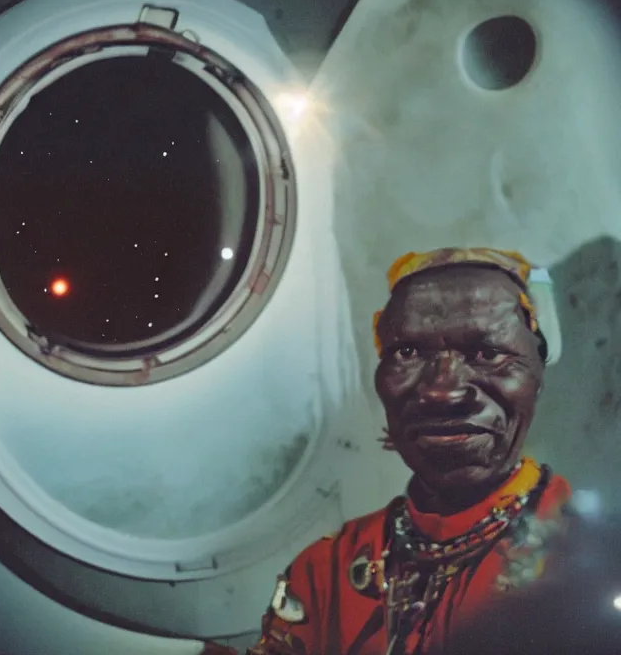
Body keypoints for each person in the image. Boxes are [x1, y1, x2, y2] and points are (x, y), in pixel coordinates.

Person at [236, 248, 572, 655]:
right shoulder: (326, 571)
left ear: (537, 374)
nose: (443, 391)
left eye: (487, 353)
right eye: (407, 354)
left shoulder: (590, 559)